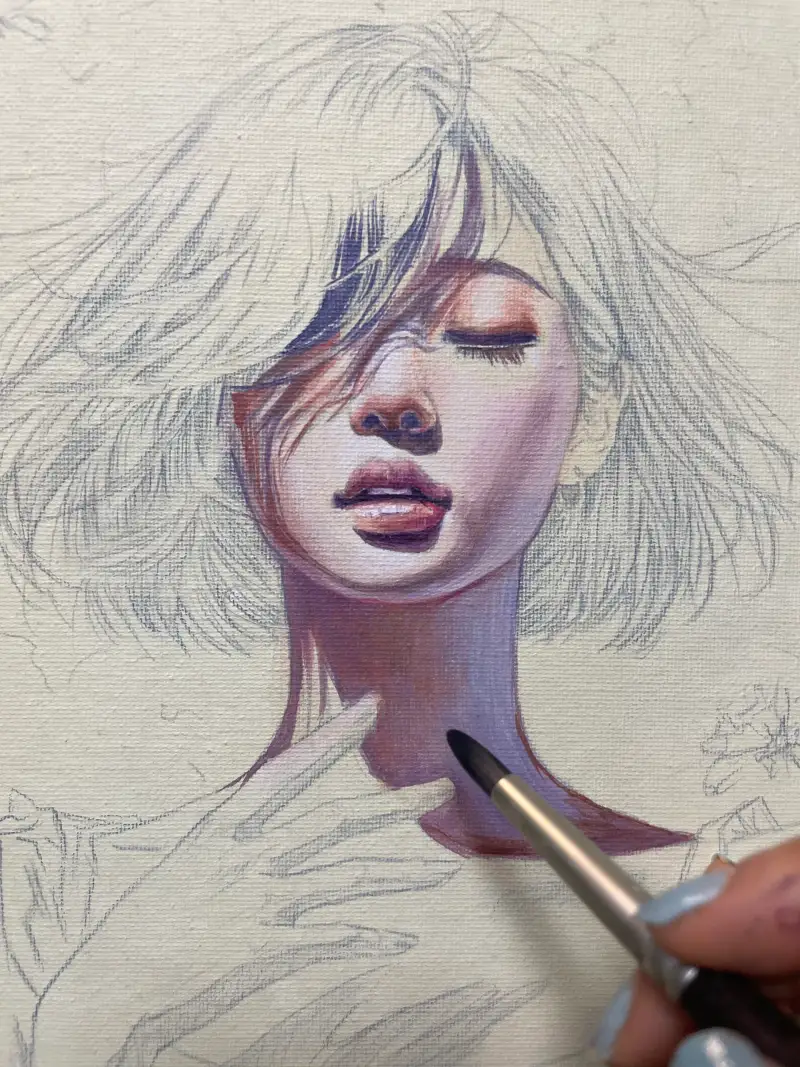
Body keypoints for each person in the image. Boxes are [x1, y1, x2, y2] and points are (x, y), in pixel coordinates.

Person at [0, 11, 794, 1066]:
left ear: (594, 414)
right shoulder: (53, 897)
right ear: (227, 397)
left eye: (486, 334)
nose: (393, 396)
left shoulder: (718, 905)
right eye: (314, 326)